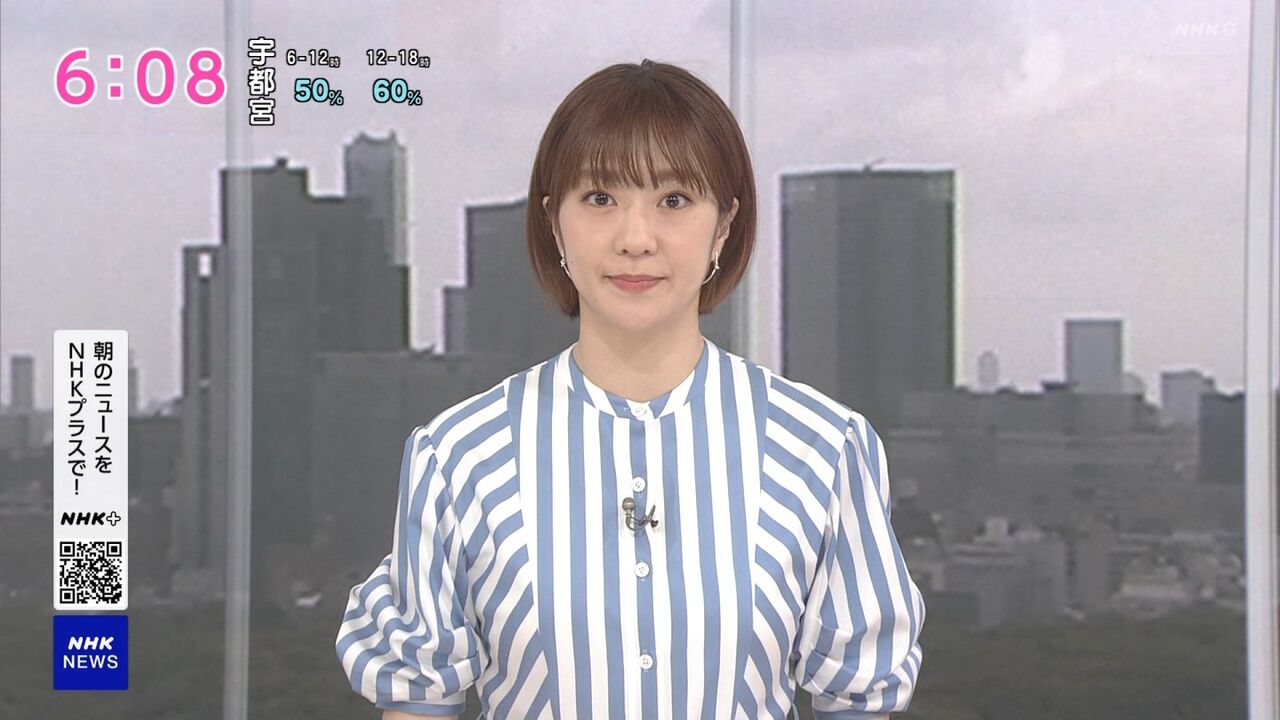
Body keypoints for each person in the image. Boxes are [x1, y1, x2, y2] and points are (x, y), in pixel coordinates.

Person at [335, 58, 925, 720]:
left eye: (674, 201)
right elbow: (419, 699)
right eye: (600, 199)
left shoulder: (823, 449)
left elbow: (858, 697)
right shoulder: (459, 456)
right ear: (554, 222)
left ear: (724, 226)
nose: (636, 240)